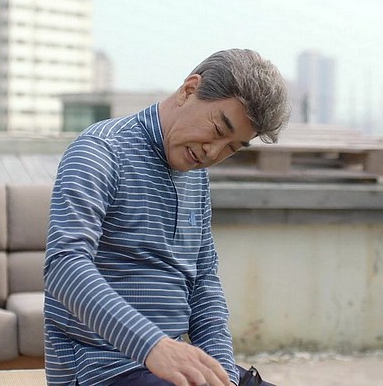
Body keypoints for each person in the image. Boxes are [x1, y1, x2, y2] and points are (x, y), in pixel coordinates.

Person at [44, 49, 289, 386]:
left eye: (232, 148)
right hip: (102, 372)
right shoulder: (100, 151)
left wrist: (224, 374)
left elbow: (203, 281)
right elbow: (63, 265)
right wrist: (152, 347)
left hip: (170, 370)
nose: (213, 152)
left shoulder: (196, 177)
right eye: (218, 129)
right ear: (189, 90)